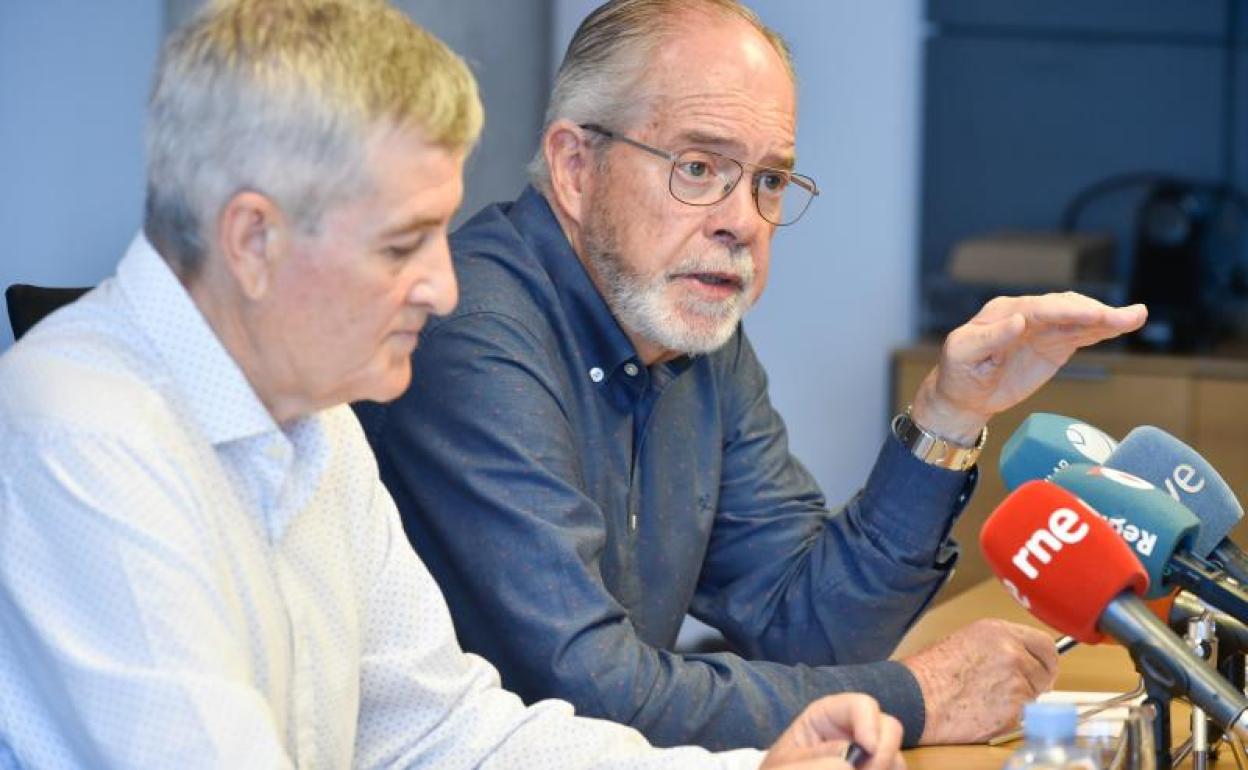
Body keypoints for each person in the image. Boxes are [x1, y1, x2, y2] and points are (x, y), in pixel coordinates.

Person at [0, 1, 906, 768]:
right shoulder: (76, 429)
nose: (441, 284)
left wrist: (753, 767)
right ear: (253, 241)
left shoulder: (317, 418)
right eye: (402, 244)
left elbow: (445, 728)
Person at [355, 0, 1148, 752]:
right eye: (700, 167)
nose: (741, 221)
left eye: (768, 181)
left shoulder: (689, 332)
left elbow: (811, 626)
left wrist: (948, 415)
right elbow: (588, 692)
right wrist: (918, 697)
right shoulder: (470, 331)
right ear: (575, 167)